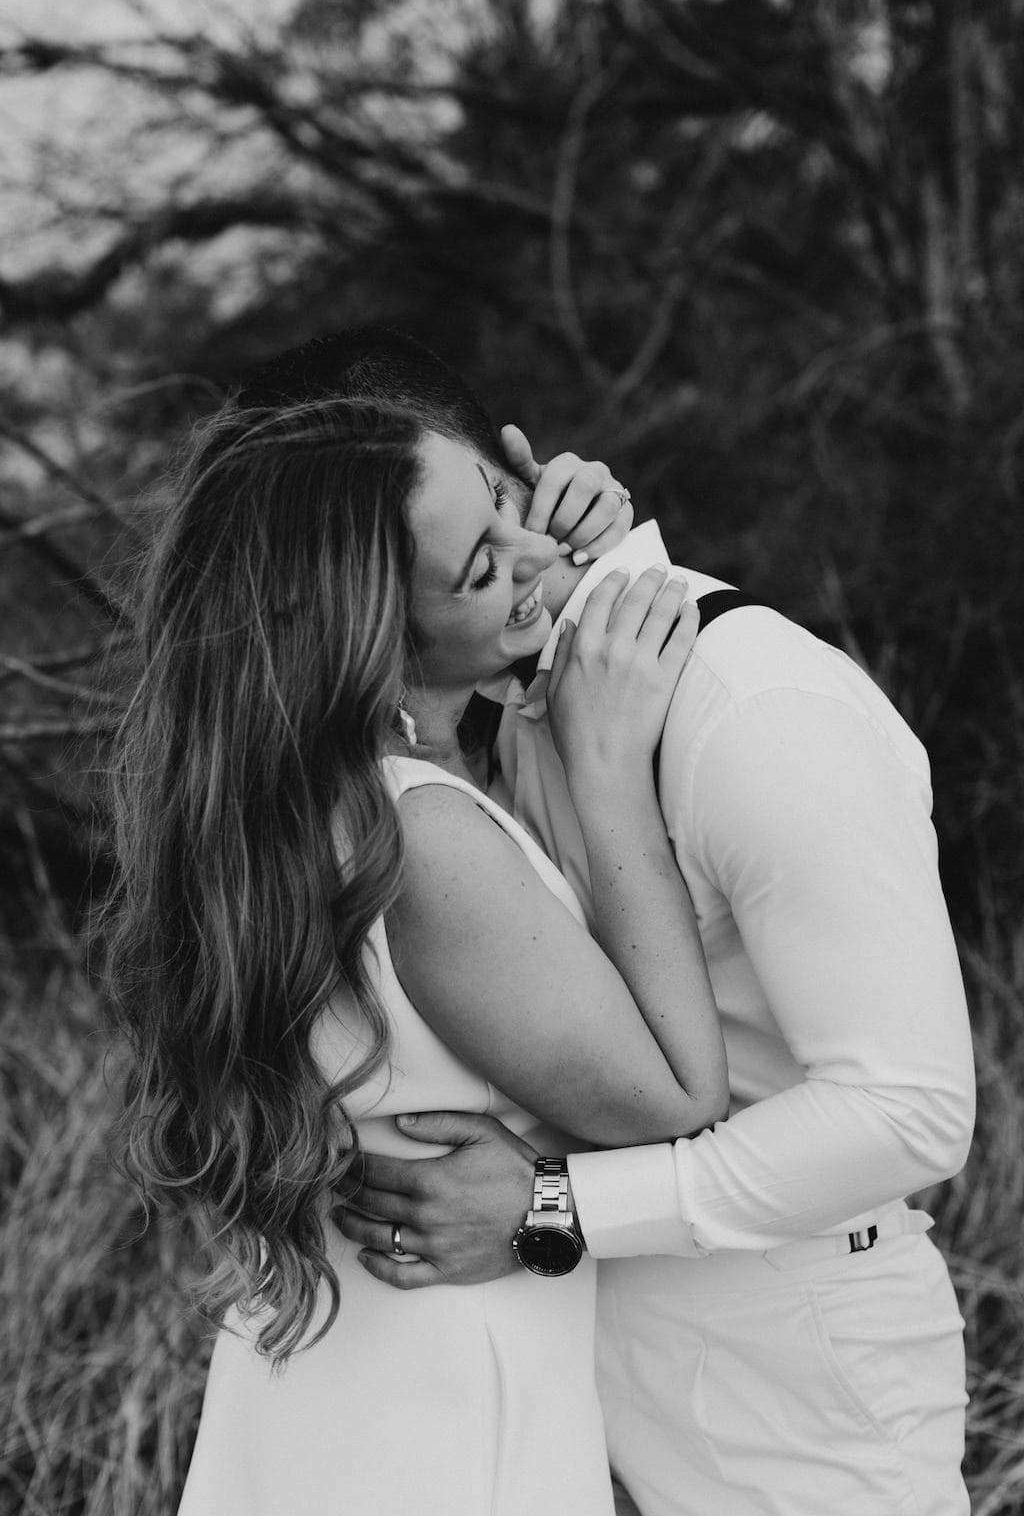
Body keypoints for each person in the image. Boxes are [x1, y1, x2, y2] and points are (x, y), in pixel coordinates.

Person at [331, 334, 977, 1513]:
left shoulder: (756, 711)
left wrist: (548, 1208)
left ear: (509, 466)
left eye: (498, 513)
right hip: (583, 1361)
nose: (514, 557)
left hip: (792, 1377)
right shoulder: (497, 705)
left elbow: (910, 1111)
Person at [105, 346, 730, 1516]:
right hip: (444, 1417)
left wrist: (547, 553)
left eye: (503, 503)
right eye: (485, 563)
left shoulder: (281, 806)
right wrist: (607, 774)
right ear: (377, 633)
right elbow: (679, 1098)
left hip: (324, 1391)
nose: (535, 553)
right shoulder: (423, 839)